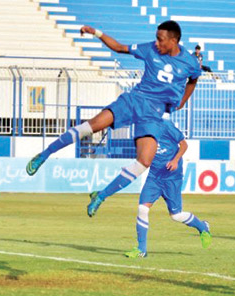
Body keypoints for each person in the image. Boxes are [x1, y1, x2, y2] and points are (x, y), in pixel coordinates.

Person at [24, 21, 201, 213]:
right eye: (156, 38)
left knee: (145, 162)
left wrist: (182, 101)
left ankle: (101, 195)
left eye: (161, 39)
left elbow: (193, 79)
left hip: (154, 114)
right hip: (135, 100)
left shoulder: (190, 62)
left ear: (174, 41)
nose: (156, 43)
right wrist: (96, 32)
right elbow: (118, 48)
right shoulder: (150, 49)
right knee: (94, 125)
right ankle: (44, 155)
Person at [88, 115, 212, 257]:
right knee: (142, 208)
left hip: (172, 177)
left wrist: (175, 160)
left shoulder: (166, 125)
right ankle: (142, 250)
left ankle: (203, 227)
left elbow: (184, 145)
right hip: (154, 177)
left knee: (176, 215)